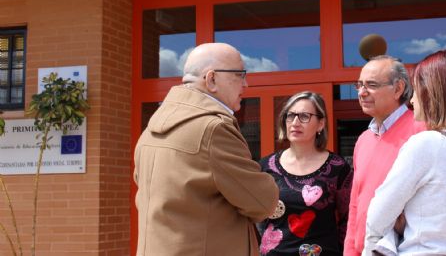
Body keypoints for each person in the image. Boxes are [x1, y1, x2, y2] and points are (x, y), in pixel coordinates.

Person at [134, 43, 279, 256]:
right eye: (240, 74)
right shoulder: (213, 129)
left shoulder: (150, 131)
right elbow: (263, 202)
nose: (246, 84)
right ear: (211, 79)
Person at [364, 49, 446, 255]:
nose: (412, 100)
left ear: (431, 93)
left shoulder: (427, 144)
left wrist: (371, 249)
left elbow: (378, 215)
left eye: (415, 91)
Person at [344, 55, 426, 256]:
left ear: (398, 89)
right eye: (359, 85)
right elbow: (356, 203)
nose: (362, 93)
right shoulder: (363, 140)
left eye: (371, 85)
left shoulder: (422, 131)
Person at [257, 91, 353, 256]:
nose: (295, 122)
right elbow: (256, 217)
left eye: (304, 116)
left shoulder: (337, 167)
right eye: (291, 115)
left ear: (320, 124)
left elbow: (349, 219)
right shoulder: (266, 167)